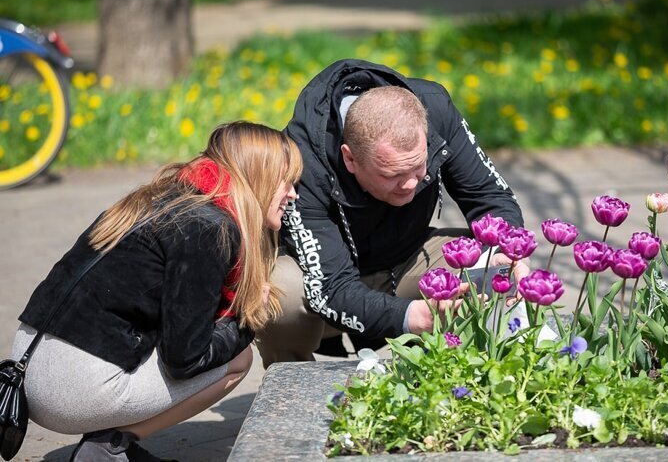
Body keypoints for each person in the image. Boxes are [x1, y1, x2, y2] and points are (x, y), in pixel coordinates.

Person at [11, 121, 302, 461]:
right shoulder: (209, 228)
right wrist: (246, 321)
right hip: (67, 390)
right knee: (240, 359)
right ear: (260, 177)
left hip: (26, 364)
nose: (293, 193)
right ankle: (109, 446)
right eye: (287, 181)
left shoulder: (165, 197)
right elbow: (186, 359)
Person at [254, 59, 528, 367]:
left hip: (408, 257)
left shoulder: (434, 109)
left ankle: (456, 378)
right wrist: (413, 317)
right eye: (392, 174)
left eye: (419, 167)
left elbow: (489, 195)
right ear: (350, 158)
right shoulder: (301, 159)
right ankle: (291, 392)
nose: (411, 184)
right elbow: (332, 288)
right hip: (324, 280)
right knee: (281, 290)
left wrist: (507, 251)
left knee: (491, 265)